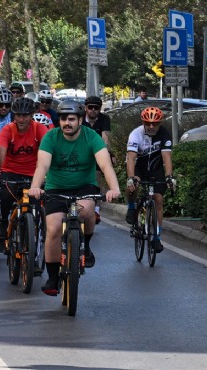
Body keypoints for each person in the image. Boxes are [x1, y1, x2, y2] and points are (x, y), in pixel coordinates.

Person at [28, 100, 121, 296]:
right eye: (62, 119)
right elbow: (42, 166)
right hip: (56, 188)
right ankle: (53, 277)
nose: (66, 123)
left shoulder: (91, 137)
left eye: (71, 119)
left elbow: (105, 166)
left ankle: (85, 246)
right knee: (52, 228)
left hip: (84, 187)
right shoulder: (51, 137)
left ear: (80, 120)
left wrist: (114, 188)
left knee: (86, 210)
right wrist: (35, 187)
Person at [0, 97, 48, 239]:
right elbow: (0, 154)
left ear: (31, 115)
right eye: (18, 115)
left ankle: (34, 231)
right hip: (10, 172)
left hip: (34, 174)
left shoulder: (39, 129)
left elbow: (49, 151)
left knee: (37, 204)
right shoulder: (7, 130)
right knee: (6, 197)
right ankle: (3, 223)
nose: (21, 120)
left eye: (25, 116)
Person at [125, 107, 175, 253]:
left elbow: (167, 158)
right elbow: (131, 159)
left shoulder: (164, 134)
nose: (152, 126)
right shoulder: (136, 134)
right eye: (148, 123)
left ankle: (157, 238)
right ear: (143, 122)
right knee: (132, 185)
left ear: (159, 123)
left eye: (155, 123)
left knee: (158, 199)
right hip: (139, 168)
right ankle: (132, 207)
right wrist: (131, 178)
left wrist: (169, 177)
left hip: (156, 169)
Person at [82, 96, 113, 224]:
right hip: (81, 152)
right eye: (90, 107)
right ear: (85, 108)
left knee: (98, 177)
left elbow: (105, 139)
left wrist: (107, 154)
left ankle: (96, 210)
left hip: (97, 152)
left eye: (97, 108)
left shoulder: (104, 119)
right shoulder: (79, 118)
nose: (93, 110)